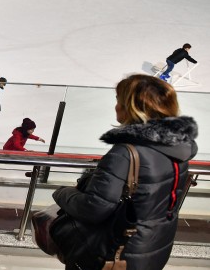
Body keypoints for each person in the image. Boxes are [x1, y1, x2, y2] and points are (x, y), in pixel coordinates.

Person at [52, 74, 197, 270]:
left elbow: (94, 208)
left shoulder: (126, 153)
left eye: (119, 101)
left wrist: (62, 193)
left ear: (133, 108)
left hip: (118, 253)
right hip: (155, 246)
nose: (116, 106)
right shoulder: (180, 147)